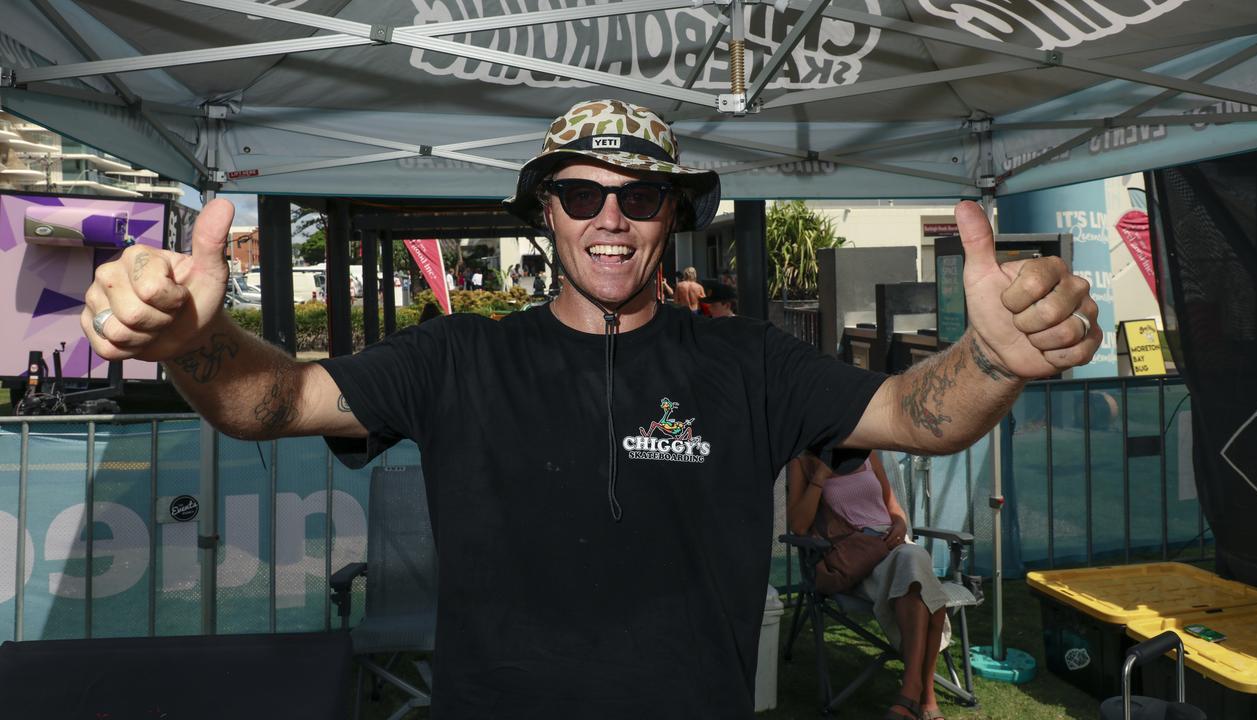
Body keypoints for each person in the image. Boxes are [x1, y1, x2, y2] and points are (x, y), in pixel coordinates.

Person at [80, 98, 1100, 718]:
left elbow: (915, 413)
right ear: (546, 216)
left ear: (673, 218)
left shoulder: (745, 360)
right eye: (580, 195)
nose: (609, 217)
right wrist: (189, 344)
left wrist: (991, 359)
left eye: (641, 196)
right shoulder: (456, 356)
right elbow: (273, 402)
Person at [788, 451, 950, 720]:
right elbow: (799, 526)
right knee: (920, 574)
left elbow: (893, 508)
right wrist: (820, 477)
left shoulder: (868, 452)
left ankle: (912, 691)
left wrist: (899, 522)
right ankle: (925, 696)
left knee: (913, 566)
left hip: (895, 545)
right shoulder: (802, 460)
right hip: (858, 560)